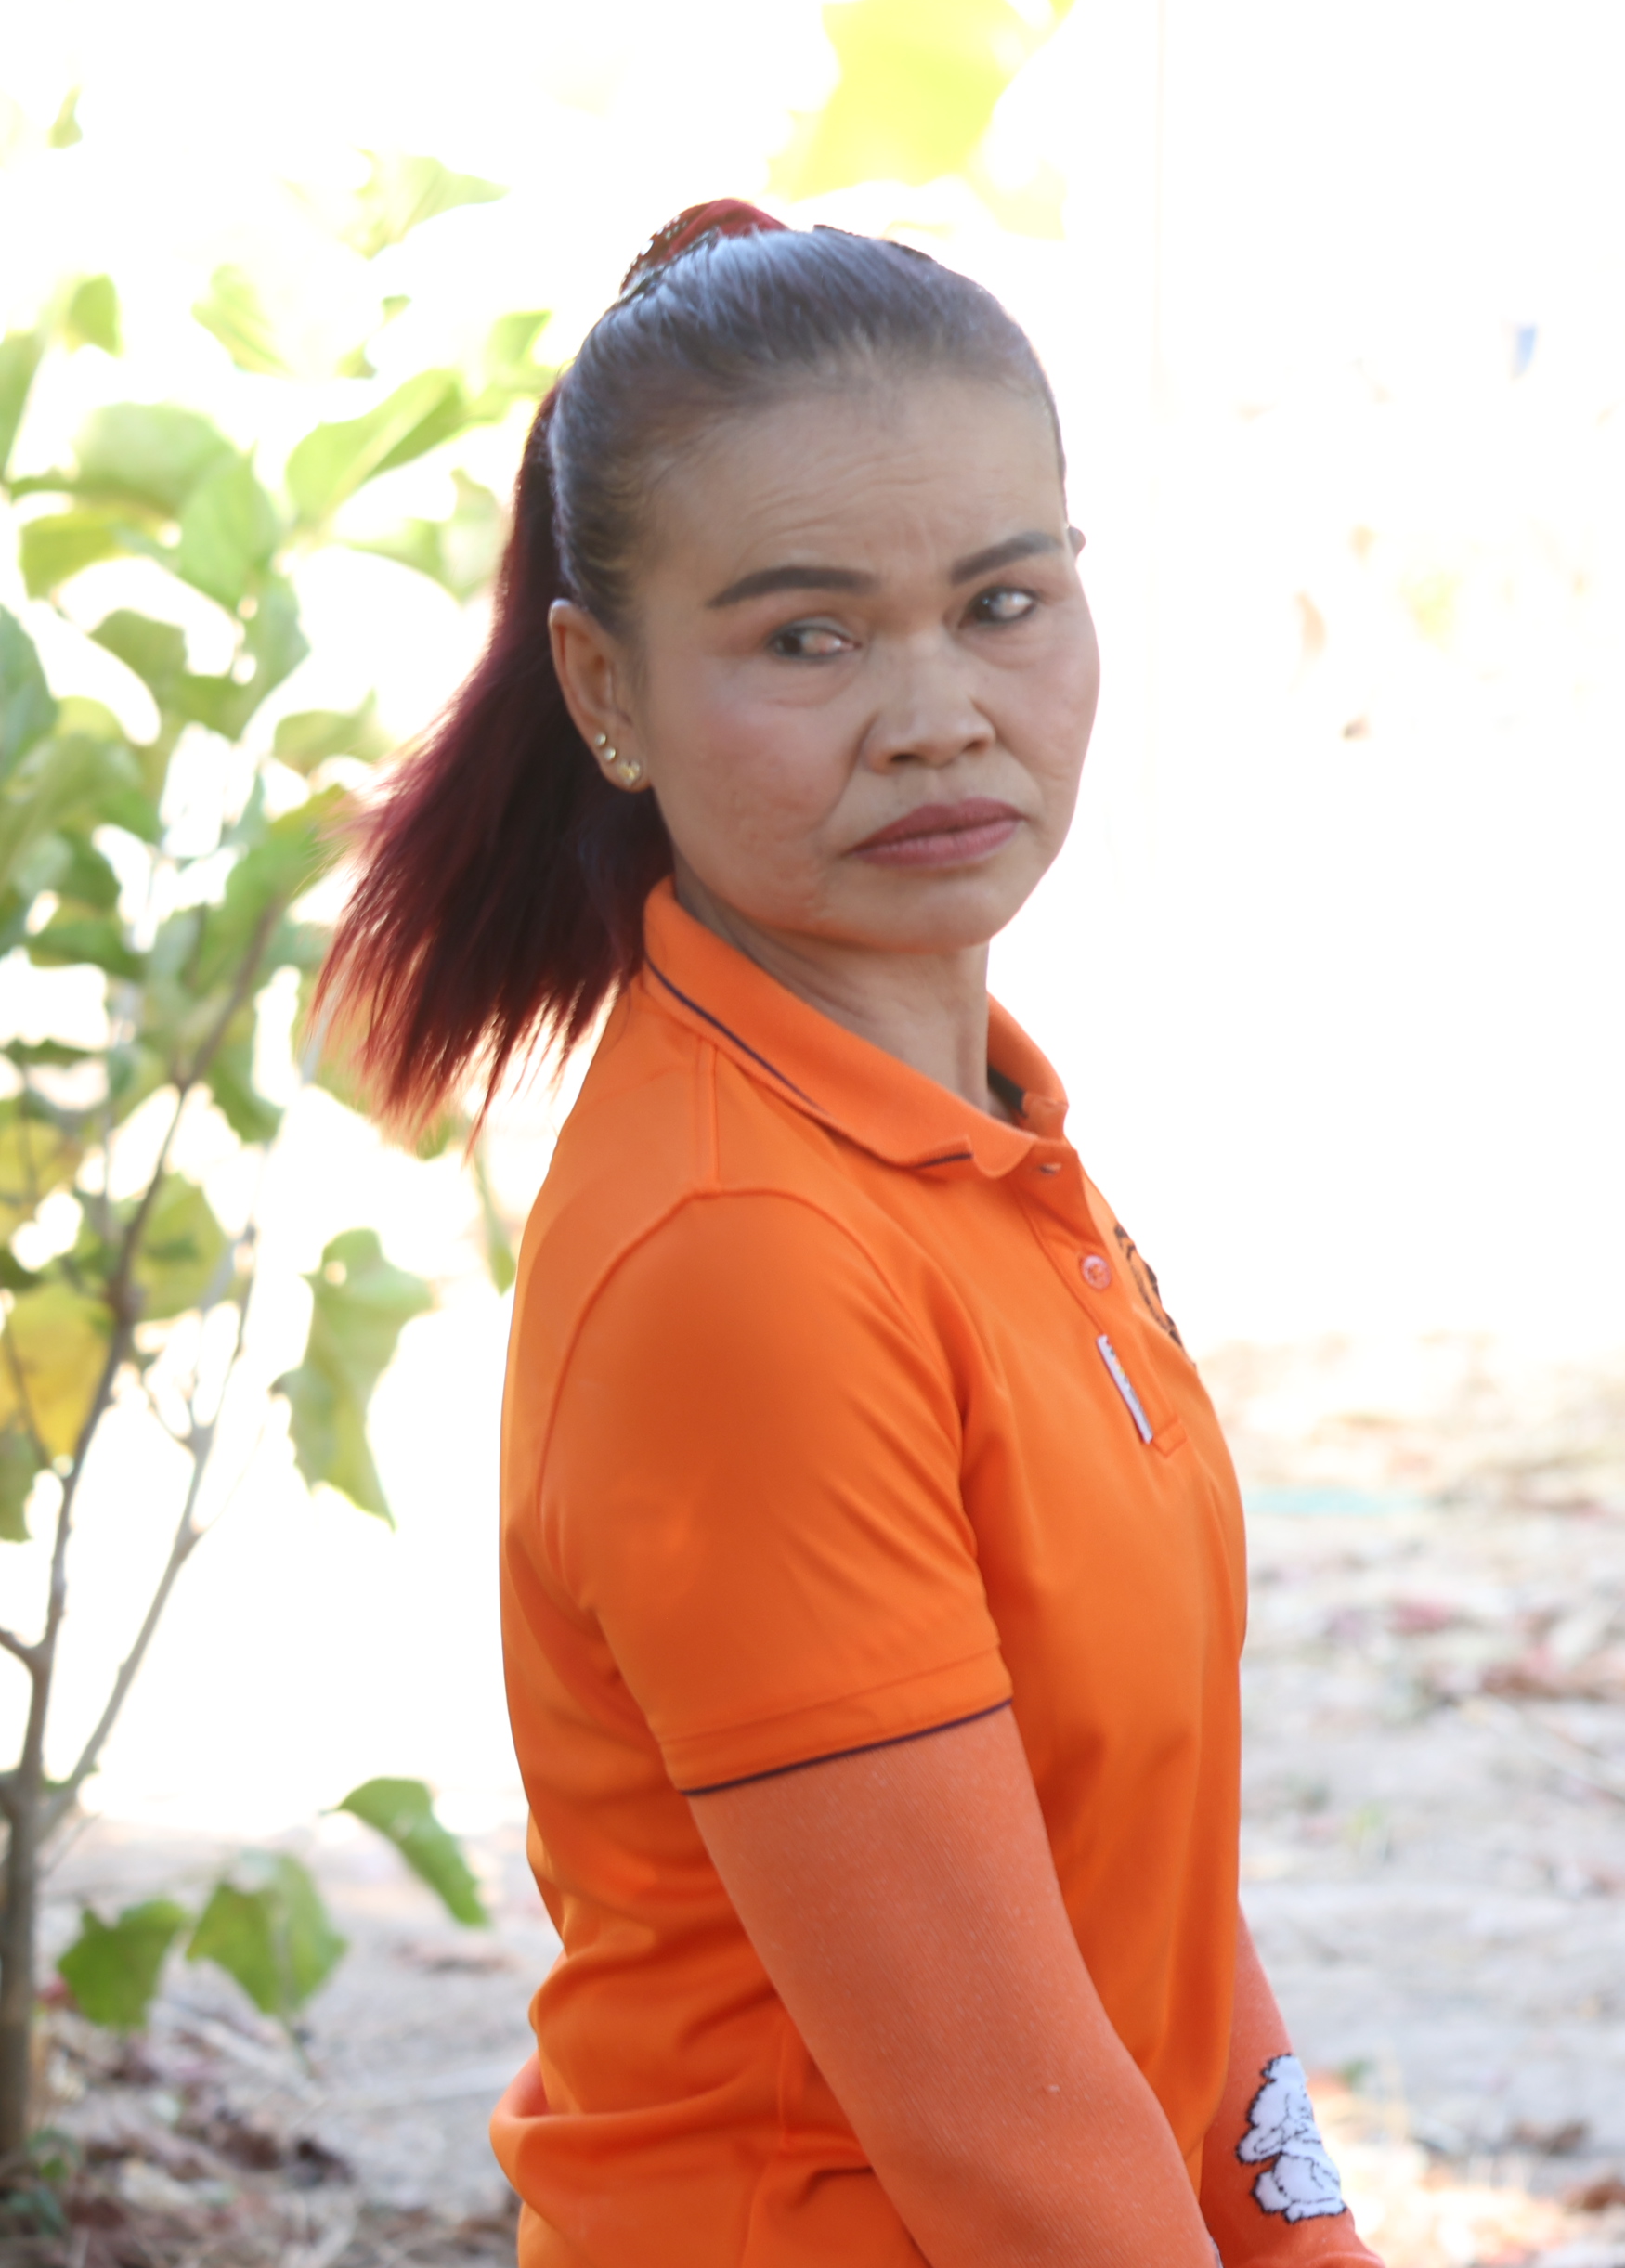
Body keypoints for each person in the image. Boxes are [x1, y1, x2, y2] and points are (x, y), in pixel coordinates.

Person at [324, 204, 1379, 2264]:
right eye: (808, 637)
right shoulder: (748, 1256)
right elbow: (1005, 2140)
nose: (934, 711)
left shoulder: (988, 1134)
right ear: (603, 689)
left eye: (1002, 601)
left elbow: (1134, 1886)